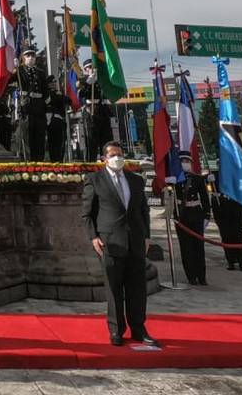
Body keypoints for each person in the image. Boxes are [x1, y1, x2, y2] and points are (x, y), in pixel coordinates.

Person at [82, 141, 157, 347]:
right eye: (113, 155)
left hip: (135, 239)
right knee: (114, 289)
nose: (117, 158)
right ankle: (116, 330)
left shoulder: (135, 180)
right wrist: (93, 237)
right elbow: (87, 213)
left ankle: (139, 329)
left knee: (137, 288)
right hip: (110, 241)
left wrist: (147, 235)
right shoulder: (95, 180)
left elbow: (144, 211)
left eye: (120, 154)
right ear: (104, 158)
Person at [172, 152, 210, 285]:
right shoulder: (175, 179)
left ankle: (202, 276)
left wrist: (207, 215)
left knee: (198, 246)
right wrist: (167, 184)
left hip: (196, 214)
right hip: (182, 215)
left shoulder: (197, 179)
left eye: (187, 161)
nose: (185, 163)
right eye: (182, 161)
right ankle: (191, 276)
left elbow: (205, 198)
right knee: (186, 247)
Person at [208, 170, 242, 271]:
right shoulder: (214, 174)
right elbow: (201, 183)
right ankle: (231, 261)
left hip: (236, 208)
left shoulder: (236, 173)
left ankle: (241, 262)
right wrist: (208, 181)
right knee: (226, 236)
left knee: (238, 236)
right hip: (221, 208)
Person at [16, 49, 48, 160]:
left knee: (39, 136)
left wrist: (46, 106)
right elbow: (9, 81)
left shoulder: (40, 73)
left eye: (33, 55)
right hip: (27, 106)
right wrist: (13, 69)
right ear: (23, 58)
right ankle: (28, 162)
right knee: (27, 135)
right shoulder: (19, 71)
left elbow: (45, 91)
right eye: (28, 55)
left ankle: (39, 162)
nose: (31, 57)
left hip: (39, 107)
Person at [81, 59, 116, 160]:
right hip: (91, 111)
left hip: (103, 111)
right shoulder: (82, 80)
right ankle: (90, 168)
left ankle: (106, 165)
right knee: (91, 142)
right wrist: (88, 83)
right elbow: (80, 94)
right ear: (85, 69)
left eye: (94, 67)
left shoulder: (102, 80)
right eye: (90, 67)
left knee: (106, 142)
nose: (93, 69)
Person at [46, 86, 68, 162]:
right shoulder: (52, 94)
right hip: (55, 120)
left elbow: (68, 101)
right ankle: (57, 161)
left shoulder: (56, 94)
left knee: (56, 144)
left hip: (54, 120)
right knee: (57, 144)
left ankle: (56, 161)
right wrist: (60, 95)